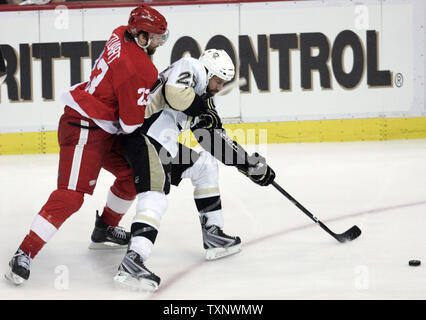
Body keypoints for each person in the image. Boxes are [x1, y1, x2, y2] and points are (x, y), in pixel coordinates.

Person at [4, 4, 169, 285]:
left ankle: (105, 228)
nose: (159, 42)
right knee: (71, 196)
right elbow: (130, 125)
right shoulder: (141, 70)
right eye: (155, 37)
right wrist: (153, 98)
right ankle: (24, 253)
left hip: (99, 124)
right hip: (83, 127)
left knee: (131, 175)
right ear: (141, 37)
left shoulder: (120, 33)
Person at [112, 49, 276, 291]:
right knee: (156, 194)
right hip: (141, 137)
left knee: (204, 167)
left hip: (161, 143)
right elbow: (176, 95)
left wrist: (247, 164)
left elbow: (210, 138)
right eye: (218, 80)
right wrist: (203, 109)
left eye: (224, 83)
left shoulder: (205, 95)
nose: (220, 87)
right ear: (207, 71)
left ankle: (213, 233)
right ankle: (135, 257)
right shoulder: (191, 67)